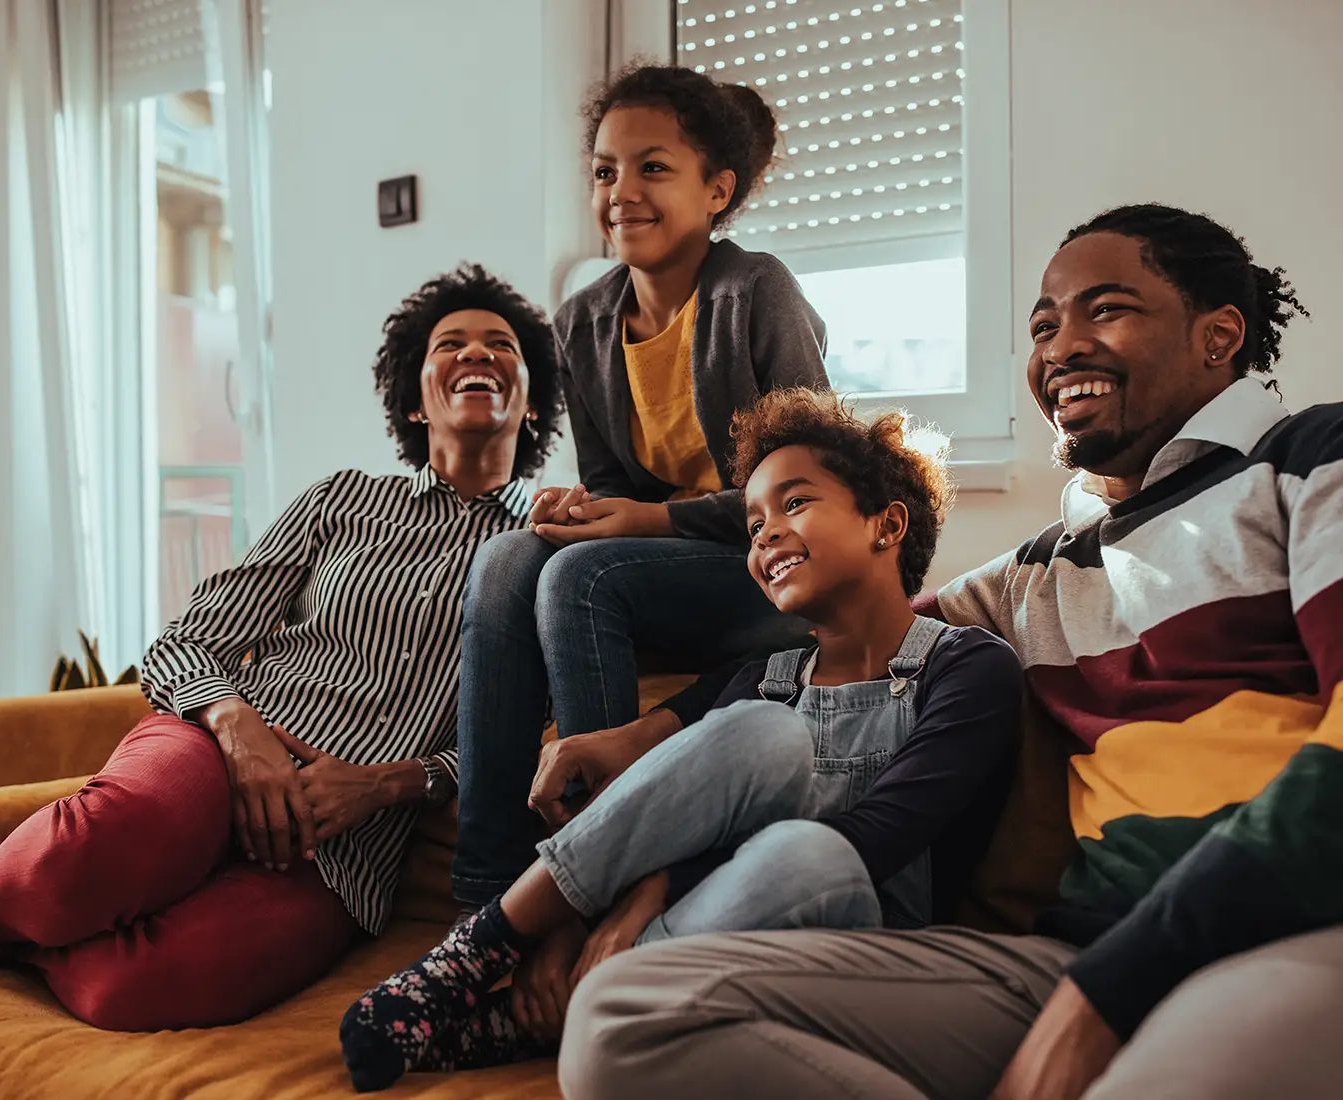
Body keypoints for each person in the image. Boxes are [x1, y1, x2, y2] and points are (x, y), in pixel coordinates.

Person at [557, 203, 1343, 1100]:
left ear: (1219, 336)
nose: (1060, 347)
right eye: (1044, 326)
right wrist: (644, 742)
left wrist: (1106, 995)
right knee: (624, 1016)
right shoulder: (1039, 570)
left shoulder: (1312, 459)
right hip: (1066, 962)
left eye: (1107, 309)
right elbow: (848, 637)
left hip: (1281, 929)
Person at [337, 388, 1024, 1091]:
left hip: (862, 957)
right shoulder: (762, 681)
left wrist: (655, 893)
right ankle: (481, 951)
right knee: (764, 731)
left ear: (887, 525)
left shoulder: (969, 668)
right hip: (718, 940)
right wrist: (613, 899)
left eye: (794, 503)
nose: (766, 536)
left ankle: (550, 1006)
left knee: (809, 851)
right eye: (753, 524)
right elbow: (671, 802)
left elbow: (878, 837)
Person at [0, 264, 564, 1031]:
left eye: (501, 345)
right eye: (449, 344)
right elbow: (188, 641)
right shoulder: (344, 499)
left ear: (532, 404)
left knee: (135, 989)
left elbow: (526, 740)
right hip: (217, 752)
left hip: (342, 847)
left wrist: (387, 785)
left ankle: (27, 949)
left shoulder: (551, 548)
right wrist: (237, 731)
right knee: (71, 864)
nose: (476, 354)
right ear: (416, 403)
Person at [452, 64, 830, 911]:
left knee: (582, 576)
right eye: (604, 170)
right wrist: (579, 508)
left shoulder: (756, 291)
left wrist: (650, 517)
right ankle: (483, 891)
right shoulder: (581, 321)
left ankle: (598, 873)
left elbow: (812, 494)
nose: (622, 190)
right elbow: (612, 485)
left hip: (775, 574)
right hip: (672, 575)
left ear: (716, 189)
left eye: (653, 167)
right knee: (511, 558)